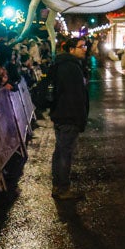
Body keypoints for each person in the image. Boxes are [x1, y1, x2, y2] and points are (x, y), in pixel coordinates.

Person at [48, 36, 89, 201]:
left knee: (59, 151)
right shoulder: (71, 67)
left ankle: (57, 185)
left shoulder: (59, 64)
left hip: (59, 114)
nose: (84, 49)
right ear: (71, 50)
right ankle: (63, 188)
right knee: (65, 153)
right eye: (81, 46)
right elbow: (76, 96)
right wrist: (80, 119)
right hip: (69, 116)